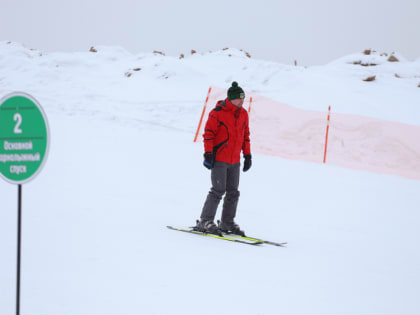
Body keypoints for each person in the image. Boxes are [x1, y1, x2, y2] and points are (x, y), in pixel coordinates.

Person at [195, 81, 252, 236]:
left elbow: (245, 136)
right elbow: (209, 134)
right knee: (218, 190)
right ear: (231, 98)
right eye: (239, 99)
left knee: (233, 192)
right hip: (220, 158)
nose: (242, 101)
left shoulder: (243, 114)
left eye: (243, 99)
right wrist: (208, 153)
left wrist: (247, 155)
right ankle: (205, 221)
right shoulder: (217, 113)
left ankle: (227, 222)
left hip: (235, 160)